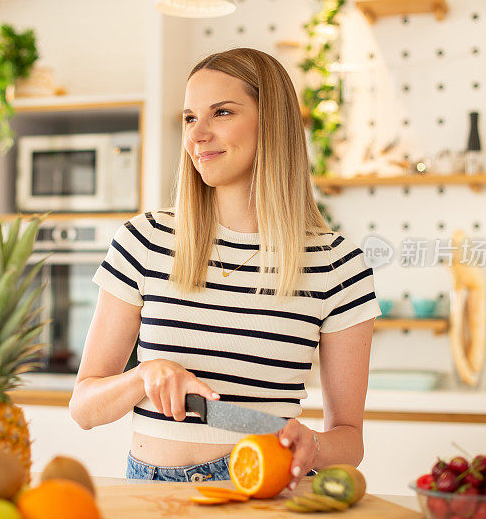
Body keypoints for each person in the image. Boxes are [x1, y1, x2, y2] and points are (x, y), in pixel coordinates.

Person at [69, 48, 381, 488]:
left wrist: (316, 444)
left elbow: (349, 439)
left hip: (270, 492)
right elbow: (84, 407)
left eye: (222, 112)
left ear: (271, 123)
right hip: (155, 492)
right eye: (190, 118)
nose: (198, 134)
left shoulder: (337, 265)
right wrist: (144, 376)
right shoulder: (147, 240)